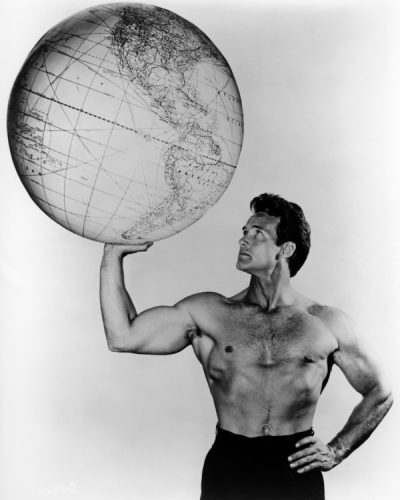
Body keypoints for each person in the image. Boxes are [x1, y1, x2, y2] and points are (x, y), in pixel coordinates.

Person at [99, 193, 393, 500]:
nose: (244, 240)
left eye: (258, 234)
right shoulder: (210, 313)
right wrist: (111, 255)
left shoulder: (325, 322)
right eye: (244, 232)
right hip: (230, 465)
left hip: (296, 468)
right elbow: (123, 336)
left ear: (286, 249)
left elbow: (380, 392)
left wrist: (338, 450)